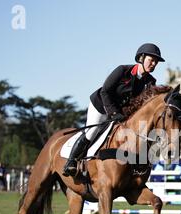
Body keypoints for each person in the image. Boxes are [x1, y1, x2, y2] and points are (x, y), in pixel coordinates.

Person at [62, 43, 165, 177]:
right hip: (101, 106)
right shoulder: (122, 71)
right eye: (151, 60)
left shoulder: (150, 82)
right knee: (92, 131)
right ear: (141, 58)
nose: (154, 64)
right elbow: (105, 91)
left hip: (121, 113)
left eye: (156, 62)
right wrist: (114, 113)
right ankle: (71, 161)